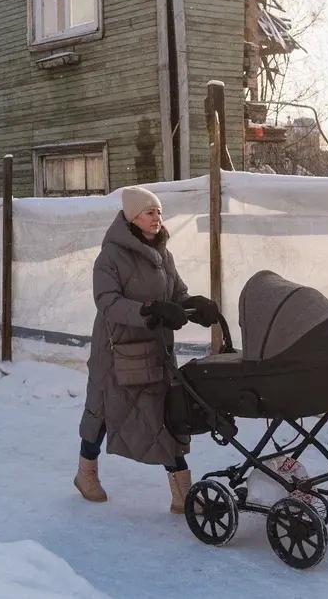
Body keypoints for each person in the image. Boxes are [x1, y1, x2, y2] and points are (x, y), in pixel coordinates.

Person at [75, 185, 221, 514]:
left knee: (163, 416)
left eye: (159, 212)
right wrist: (148, 310)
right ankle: (85, 474)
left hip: (154, 352)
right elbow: (107, 302)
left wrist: (192, 306)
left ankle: (182, 494)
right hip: (116, 352)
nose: (157, 218)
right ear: (131, 217)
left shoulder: (162, 254)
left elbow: (177, 293)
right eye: (149, 212)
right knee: (102, 413)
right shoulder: (110, 256)